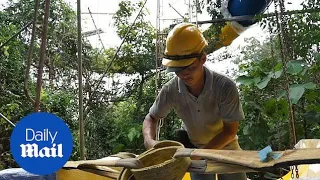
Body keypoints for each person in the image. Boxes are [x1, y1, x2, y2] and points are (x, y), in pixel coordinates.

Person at [142, 22, 247, 180]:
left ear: (203, 59)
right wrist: (151, 143)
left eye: (189, 68)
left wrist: (197, 155)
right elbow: (151, 118)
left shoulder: (225, 86)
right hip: (194, 149)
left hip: (227, 149)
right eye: (178, 70)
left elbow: (229, 132)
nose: (184, 75)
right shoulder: (170, 90)